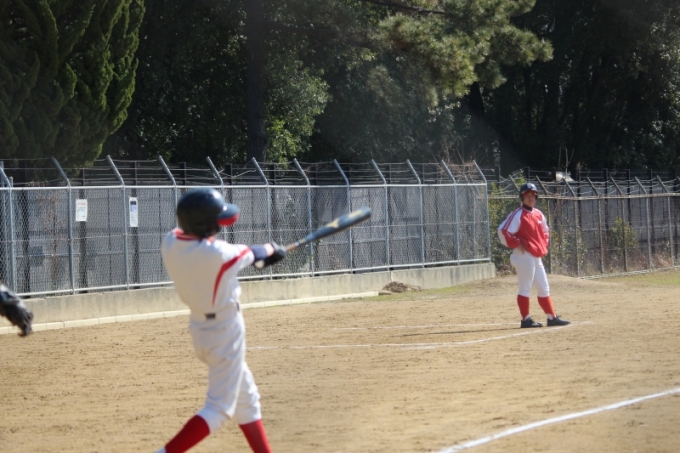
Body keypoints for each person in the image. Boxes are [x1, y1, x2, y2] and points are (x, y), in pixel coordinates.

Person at [155, 188, 286, 453]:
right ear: (206, 226)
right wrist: (274, 249)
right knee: (219, 409)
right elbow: (254, 251)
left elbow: (249, 255)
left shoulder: (170, 241)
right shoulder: (217, 254)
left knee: (247, 399)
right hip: (225, 331)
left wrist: (262, 256)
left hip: (201, 328)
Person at [497, 182, 570, 328]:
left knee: (544, 287)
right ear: (522, 197)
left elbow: (545, 231)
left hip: (536, 256)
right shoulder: (518, 214)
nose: (530, 198)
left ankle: (551, 317)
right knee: (525, 288)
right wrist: (516, 243)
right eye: (527, 195)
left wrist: (543, 245)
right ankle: (525, 320)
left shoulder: (538, 214)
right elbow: (503, 230)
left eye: (533, 195)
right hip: (523, 256)